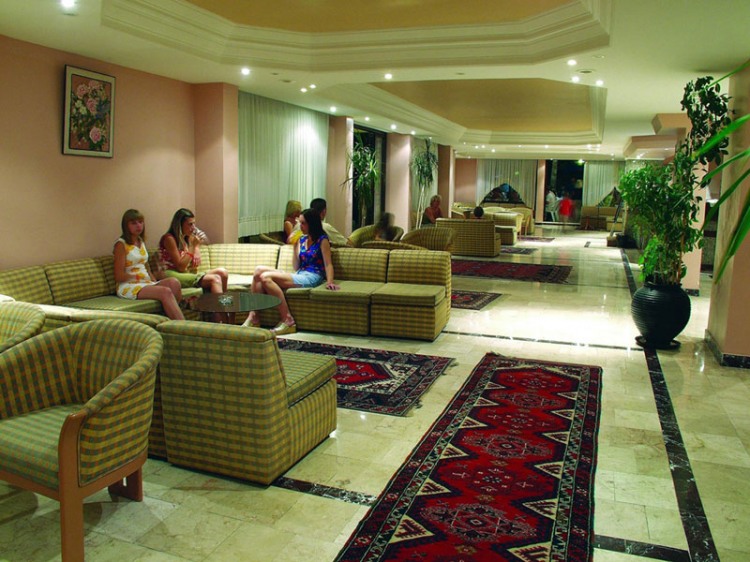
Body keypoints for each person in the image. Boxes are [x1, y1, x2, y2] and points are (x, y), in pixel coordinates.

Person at [243, 208, 340, 334]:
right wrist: (295, 247)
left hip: (313, 276)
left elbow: (328, 263)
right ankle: (254, 317)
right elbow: (296, 266)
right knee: (258, 271)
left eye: (303, 223)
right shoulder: (302, 239)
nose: (300, 226)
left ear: (312, 224)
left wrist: (330, 281)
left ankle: (288, 320)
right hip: (300, 273)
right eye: (300, 223)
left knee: (266, 277)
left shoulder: (322, 240)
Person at [114, 209, 184, 320]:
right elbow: (118, 276)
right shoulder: (121, 245)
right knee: (165, 292)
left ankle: (170, 318)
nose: (138, 226)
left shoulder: (140, 241)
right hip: (129, 285)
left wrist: (154, 282)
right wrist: (137, 277)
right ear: (126, 226)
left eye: (140, 222)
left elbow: (146, 267)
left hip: (145, 282)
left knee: (174, 283)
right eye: (133, 223)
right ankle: (181, 325)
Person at [159, 208, 228, 295]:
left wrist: (197, 249)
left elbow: (207, 242)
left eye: (194, 224)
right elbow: (180, 267)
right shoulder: (169, 239)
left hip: (186, 273)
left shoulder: (188, 237)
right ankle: (218, 303)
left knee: (223, 272)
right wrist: (193, 247)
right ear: (180, 225)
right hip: (172, 273)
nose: (193, 227)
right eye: (190, 224)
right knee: (215, 279)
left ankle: (224, 300)